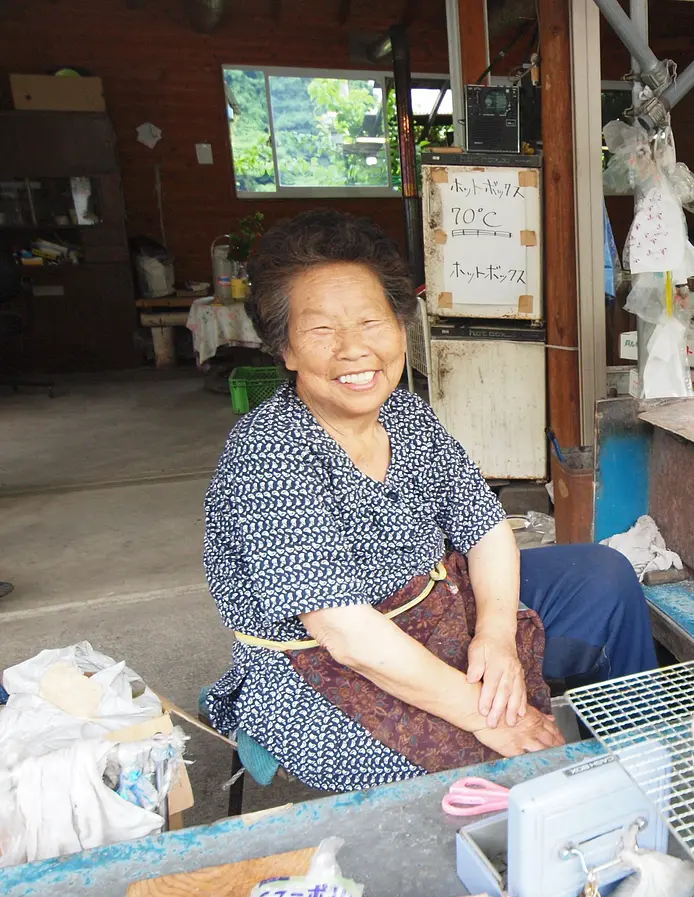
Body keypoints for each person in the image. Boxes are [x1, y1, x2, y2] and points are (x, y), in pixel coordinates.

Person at [202, 209, 657, 792]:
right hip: (324, 669)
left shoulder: (404, 414)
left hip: (434, 601)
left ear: (398, 327)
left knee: (601, 574)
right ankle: (540, 818)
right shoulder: (267, 456)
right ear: (285, 351)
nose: (353, 350)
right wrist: (490, 716)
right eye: (321, 331)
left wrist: (494, 635)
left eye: (371, 322)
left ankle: (639, 758)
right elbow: (349, 636)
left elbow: (486, 527)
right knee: (488, 754)